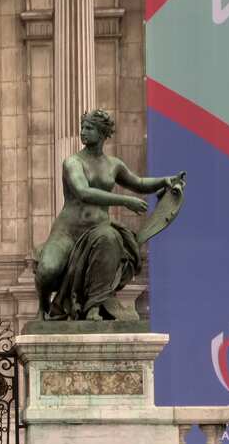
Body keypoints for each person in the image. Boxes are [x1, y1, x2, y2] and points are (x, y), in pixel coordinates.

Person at [35, 109, 185, 321]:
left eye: (89, 128)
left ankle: (93, 307)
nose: (83, 132)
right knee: (48, 270)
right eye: (83, 127)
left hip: (98, 229)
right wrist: (125, 201)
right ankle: (43, 306)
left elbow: (139, 183)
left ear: (103, 133)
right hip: (68, 231)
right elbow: (83, 192)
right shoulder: (72, 162)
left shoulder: (113, 165)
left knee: (110, 239)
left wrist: (165, 180)